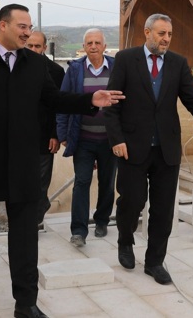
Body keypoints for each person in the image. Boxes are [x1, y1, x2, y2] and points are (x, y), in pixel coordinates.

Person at [0, 4, 123, 318]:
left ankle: (26, 302)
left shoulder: (34, 63)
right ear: (3, 25)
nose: (26, 32)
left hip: (22, 160)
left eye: (29, 27)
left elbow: (52, 98)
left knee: (24, 233)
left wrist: (90, 100)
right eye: (21, 26)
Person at [105, 13, 193, 285]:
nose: (166, 39)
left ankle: (154, 261)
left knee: (163, 210)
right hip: (131, 147)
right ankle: (125, 240)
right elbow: (112, 104)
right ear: (147, 32)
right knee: (132, 201)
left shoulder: (178, 63)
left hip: (166, 149)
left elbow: (192, 100)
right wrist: (116, 139)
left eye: (169, 35)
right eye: (161, 33)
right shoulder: (126, 60)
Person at [57, 28, 117, 246]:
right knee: (81, 182)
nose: (93, 46)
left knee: (107, 183)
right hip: (83, 139)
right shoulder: (74, 70)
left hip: (110, 140)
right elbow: (63, 102)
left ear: (104, 46)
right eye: (89, 43)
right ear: (83, 47)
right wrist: (63, 133)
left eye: (97, 42)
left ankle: (101, 220)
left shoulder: (117, 68)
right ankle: (78, 231)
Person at [25, 31, 66, 228]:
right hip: (20, 136)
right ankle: (30, 214)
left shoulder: (56, 72)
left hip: (44, 136)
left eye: (37, 46)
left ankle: (36, 219)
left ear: (44, 48)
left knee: (41, 180)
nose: (33, 50)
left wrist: (55, 135)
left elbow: (58, 106)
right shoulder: (14, 67)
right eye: (30, 46)